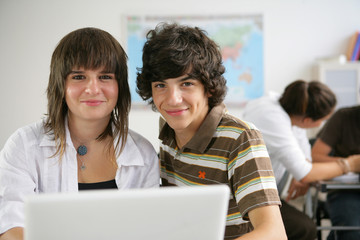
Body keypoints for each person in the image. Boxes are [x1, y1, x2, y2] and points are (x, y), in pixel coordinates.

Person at [0, 27, 160, 240]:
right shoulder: (23, 145)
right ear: (60, 84)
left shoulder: (144, 154)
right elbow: (12, 227)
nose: (93, 89)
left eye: (105, 76)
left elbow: (149, 231)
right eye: (78, 76)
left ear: (119, 85)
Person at [136, 23, 286, 240]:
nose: (172, 99)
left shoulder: (240, 138)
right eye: (161, 85)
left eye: (186, 83)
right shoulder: (169, 134)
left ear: (209, 87)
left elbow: (274, 233)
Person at [243, 80, 360, 240]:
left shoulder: (289, 111)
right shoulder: (272, 118)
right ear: (307, 121)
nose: (323, 124)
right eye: (322, 120)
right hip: (247, 200)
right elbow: (306, 171)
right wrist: (351, 164)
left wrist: (305, 173)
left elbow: (306, 161)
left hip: (261, 194)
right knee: (305, 228)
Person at [312, 105, 360, 240]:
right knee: (352, 231)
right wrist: (351, 164)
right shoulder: (344, 117)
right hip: (345, 191)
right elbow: (315, 156)